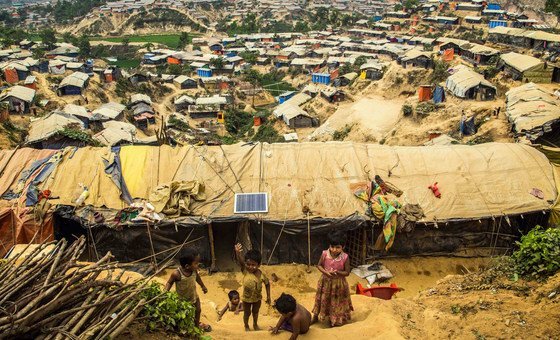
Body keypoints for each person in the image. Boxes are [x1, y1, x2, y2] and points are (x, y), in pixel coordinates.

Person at [311, 231, 353, 327]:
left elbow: (347, 272)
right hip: (325, 282)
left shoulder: (345, 257)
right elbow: (319, 265)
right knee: (321, 299)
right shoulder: (325, 254)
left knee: (336, 302)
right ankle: (315, 316)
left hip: (338, 284)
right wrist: (326, 272)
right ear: (329, 245)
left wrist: (338, 273)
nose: (334, 250)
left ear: (343, 247)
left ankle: (333, 319)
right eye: (332, 247)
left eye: (338, 247)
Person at [165, 250, 211, 332]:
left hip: (194, 296)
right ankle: (184, 326)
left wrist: (203, 286)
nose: (198, 265)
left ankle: (196, 326)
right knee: (184, 314)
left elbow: (197, 278)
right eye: (196, 263)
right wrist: (165, 292)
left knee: (198, 310)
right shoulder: (177, 274)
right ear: (187, 266)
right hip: (182, 300)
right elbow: (169, 282)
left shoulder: (194, 271)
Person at [234, 243, 271, 331]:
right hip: (246, 299)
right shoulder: (246, 271)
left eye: (253, 265)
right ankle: (246, 326)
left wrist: (269, 296)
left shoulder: (262, 275)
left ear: (258, 265)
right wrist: (238, 253)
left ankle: (255, 324)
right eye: (248, 264)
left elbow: (267, 283)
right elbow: (241, 262)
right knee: (247, 313)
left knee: (255, 312)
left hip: (257, 298)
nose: (250, 267)